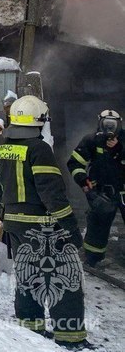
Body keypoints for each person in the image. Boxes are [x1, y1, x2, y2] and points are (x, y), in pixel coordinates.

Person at [0, 95, 88, 349]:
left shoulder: (1, 149)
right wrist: (70, 228)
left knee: (27, 275)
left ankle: (30, 331)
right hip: (43, 227)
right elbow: (53, 195)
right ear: (39, 120)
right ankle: (71, 339)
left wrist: (8, 215)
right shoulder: (39, 149)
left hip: (13, 223)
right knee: (65, 280)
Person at [67, 109, 125, 268]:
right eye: (106, 124)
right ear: (99, 123)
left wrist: (119, 149)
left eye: (113, 125)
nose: (110, 129)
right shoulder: (91, 140)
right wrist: (83, 180)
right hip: (102, 193)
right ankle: (94, 259)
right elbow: (74, 163)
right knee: (98, 226)